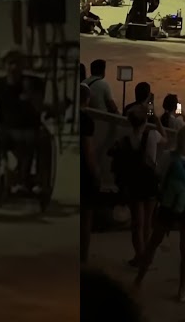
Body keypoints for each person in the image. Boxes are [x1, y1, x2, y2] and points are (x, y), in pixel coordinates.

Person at [134, 125, 185, 302]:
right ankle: (182, 291)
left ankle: (138, 280)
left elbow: (159, 176)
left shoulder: (167, 156)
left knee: (152, 244)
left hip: (167, 206)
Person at [0, 51, 48, 194]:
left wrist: (31, 95)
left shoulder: (33, 83)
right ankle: (8, 174)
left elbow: (40, 108)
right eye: (10, 63)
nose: (14, 67)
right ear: (4, 65)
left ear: (23, 65)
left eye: (17, 63)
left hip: (30, 129)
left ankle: (27, 179)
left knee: (36, 141)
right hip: (7, 129)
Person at [114, 105, 165, 265]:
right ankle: (147, 256)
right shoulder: (152, 135)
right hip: (150, 181)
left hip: (134, 182)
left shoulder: (125, 139)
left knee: (137, 223)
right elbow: (166, 139)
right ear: (145, 120)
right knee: (148, 223)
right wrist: (156, 119)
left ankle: (139, 255)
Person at [80, 83, 98, 263]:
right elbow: (89, 151)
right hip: (85, 173)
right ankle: (83, 257)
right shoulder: (86, 121)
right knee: (86, 218)